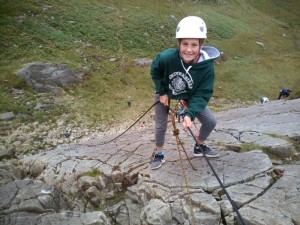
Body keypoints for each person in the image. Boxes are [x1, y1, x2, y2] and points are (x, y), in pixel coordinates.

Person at [150, 16, 220, 170]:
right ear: (179, 44)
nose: (189, 49)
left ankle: (199, 146)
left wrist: (190, 114)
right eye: (185, 44)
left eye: (194, 44)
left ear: (201, 45)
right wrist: (162, 92)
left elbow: (202, 94)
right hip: (166, 91)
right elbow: (155, 70)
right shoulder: (167, 57)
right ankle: (159, 154)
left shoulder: (206, 67)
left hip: (190, 94)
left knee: (210, 122)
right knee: (161, 125)